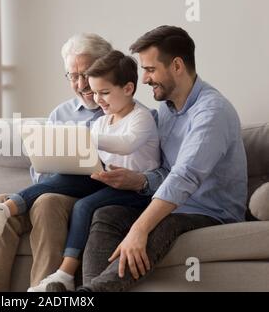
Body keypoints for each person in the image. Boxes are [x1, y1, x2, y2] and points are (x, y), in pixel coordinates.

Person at [46, 25, 248, 292]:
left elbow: (183, 177)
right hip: (174, 204)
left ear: (177, 65)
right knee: (106, 214)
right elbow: (164, 171)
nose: (144, 79)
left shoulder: (211, 113)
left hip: (209, 211)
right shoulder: (165, 110)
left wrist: (139, 229)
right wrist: (140, 181)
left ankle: (89, 294)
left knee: (162, 224)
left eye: (150, 70)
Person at [0, 50, 160, 292]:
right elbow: (87, 159)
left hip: (132, 190)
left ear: (128, 88)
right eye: (74, 76)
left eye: (101, 90)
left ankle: (58, 279)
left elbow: (125, 143)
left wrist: (82, 137)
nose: (87, 90)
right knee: (36, 188)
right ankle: (4, 210)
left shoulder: (140, 117)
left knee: (52, 202)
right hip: (99, 180)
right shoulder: (96, 118)